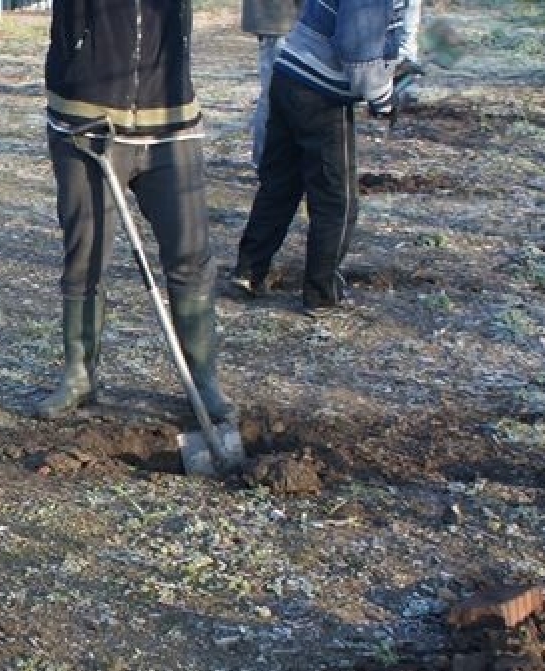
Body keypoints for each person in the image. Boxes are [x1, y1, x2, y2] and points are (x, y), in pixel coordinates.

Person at [33, 0, 234, 439]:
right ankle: (79, 375)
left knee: (191, 256)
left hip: (172, 119)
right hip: (86, 119)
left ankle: (202, 377)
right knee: (85, 256)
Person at [230, 0, 406, 314]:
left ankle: (248, 271)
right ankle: (321, 293)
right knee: (336, 200)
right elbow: (357, 54)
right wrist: (383, 100)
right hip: (320, 93)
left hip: (289, 74)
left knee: (279, 186)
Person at [242, 0, 303, 168]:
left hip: (284, 19)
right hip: (280, 19)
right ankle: (267, 163)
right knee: (273, 96)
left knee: (275, 95)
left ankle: (272, 163)